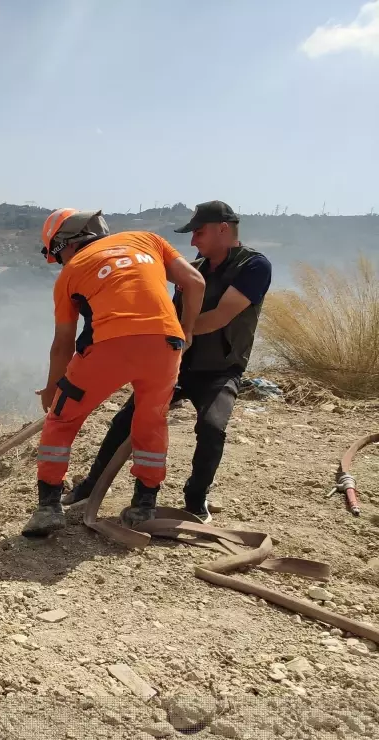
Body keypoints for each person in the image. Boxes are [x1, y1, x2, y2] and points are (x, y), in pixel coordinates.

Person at [61, 201, 272, 522]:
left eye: (198, 232)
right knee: (124, 421)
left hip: (220, 370)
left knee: (212, 428)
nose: (192, 241)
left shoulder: (254, 266)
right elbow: (167, 315)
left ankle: (195, 500)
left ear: (223, 229)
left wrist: (177, 333)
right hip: (176, 365)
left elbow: (219, 316)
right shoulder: (193, 270)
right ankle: (89, 487)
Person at [22, 208, 205, 538]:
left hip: (107, 349)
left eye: (57, 255)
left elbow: (63, 343)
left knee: (61, 421)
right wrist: (187, 331)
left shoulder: (70, 274)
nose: (60, 262)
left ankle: (48, 507)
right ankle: (143, 507)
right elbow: (195, 282)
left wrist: (52, 390)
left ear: (65, 243)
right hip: (166, 345)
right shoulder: (147, 239)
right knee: (150, 422)